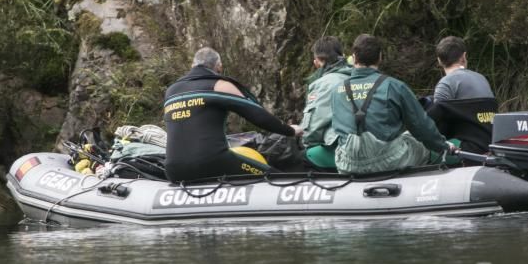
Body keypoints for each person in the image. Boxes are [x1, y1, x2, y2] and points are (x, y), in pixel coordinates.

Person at [163, 47, 301, 182]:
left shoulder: (171, 90)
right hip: (213, 162)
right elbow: (258, 116)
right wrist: (290, 131)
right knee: (277, 178)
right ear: (219, 67)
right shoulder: (219, 85)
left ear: (193, 65)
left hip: (173, 170)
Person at [331, 34, 455, 174]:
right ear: (380, 57)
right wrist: (443, 146)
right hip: (389, 162)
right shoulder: (395, 86)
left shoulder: (336, 91)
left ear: (353, 58)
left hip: (348, 163)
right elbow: (421, 126)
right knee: (419, 144)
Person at [425, 36, 497, 154]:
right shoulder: (482, 78)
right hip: (490, 144)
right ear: (464, 56)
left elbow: (435, 124)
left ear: (439, 60)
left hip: (466, 148)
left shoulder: (446, 83)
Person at [301, 36, 353, 170]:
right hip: (371, 147)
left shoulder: (323, 84)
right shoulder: (358, 76)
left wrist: (304, 144)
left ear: (318, 61)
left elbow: (314, 127)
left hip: (343, 151)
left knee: (297, 157)